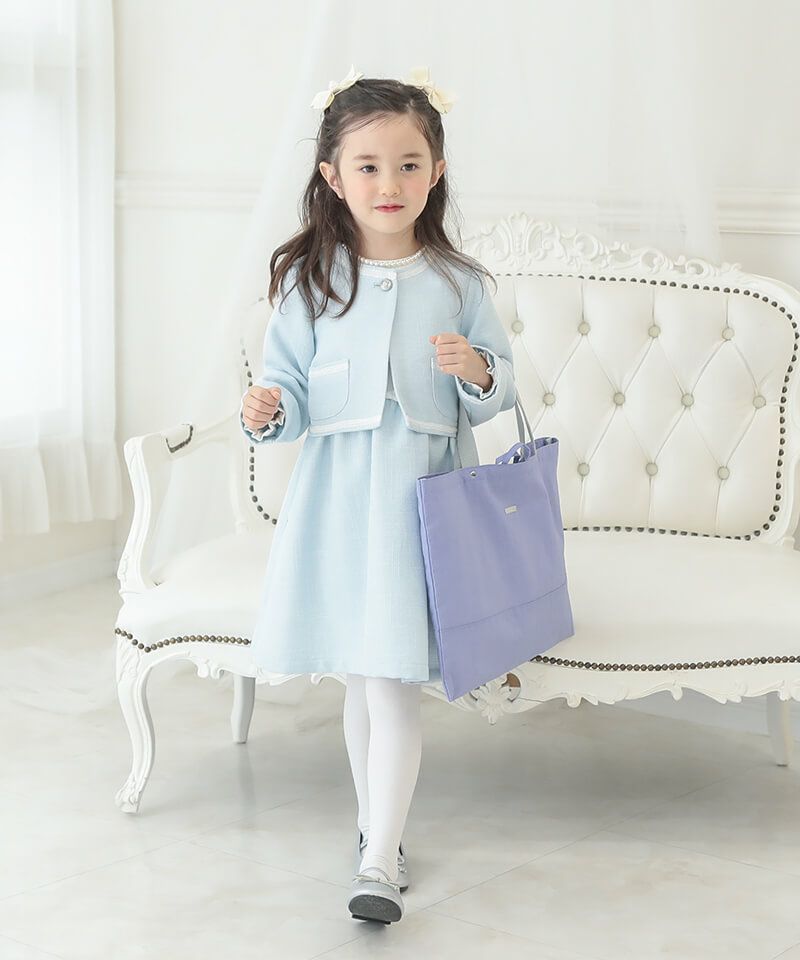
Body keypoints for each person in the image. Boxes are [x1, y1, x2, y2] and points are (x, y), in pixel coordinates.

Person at [239, 64, 516, 925]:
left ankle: (380, 857)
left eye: (408, 164)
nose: (388, 182)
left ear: (437, 172)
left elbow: (500, 389)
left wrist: (477, 370)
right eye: (368, 165)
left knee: (391, 680)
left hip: (418, 504)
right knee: (361, 679)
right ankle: (377, 835)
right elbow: (285, 391)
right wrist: (266, 411)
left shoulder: (459, 282)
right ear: (333, 176)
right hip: (337, 504)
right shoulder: (311, 281)